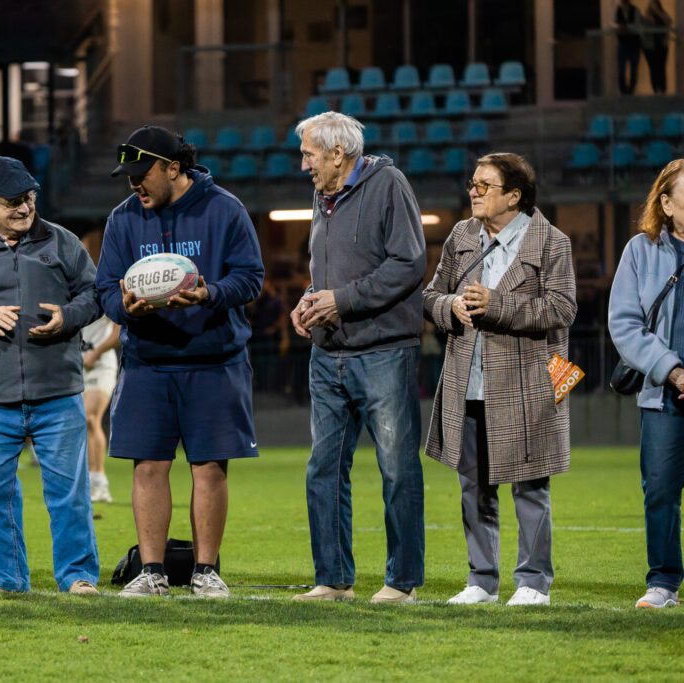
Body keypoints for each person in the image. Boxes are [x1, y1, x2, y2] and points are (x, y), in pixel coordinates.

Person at [97, 125, 263, 598]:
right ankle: (151, 572)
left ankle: (205, 572)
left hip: (214, 360)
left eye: (141, 174)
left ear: (173, 168)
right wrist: (123, 308)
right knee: (148, 466)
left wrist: (211, 293)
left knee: (209, 467)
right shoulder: (123, 218)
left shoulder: (225, 209)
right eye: (128, 176)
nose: (134, 184)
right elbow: (105, 287)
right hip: (148, 361)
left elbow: (251, 277)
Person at [0, 156, 101, 595]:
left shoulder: (63, 242)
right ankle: (6, 579)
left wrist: (67, 316)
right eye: (12, 202)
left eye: (28, 198)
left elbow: (94, 294)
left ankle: (78, 577)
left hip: (58, 392)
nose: (25, 208)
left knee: (69, 494)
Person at [423, 153, 577, 606]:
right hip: (467, 381)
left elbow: (562, 309)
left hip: (530, 382)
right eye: (472, 183)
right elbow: (430, 295)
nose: (473, 191)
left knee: (530, 486)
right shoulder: (461, 235)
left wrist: (497, 305)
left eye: (484, 185)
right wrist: (449, 306)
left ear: (514, 196)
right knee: (473, 487)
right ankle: (481, 580)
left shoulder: (552, 242)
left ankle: (533, 582)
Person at [287, 112, 426, 604]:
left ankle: (402, 583)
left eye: (309, 155)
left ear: (337, 153)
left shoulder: (389, 184)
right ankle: (333, 579)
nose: (303, 165)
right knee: (322, 469)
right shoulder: (321, 194)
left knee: (397, 469)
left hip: (383, 351)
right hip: (328, 354)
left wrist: (341, 301)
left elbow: (408, 264)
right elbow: (331, 269)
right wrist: (310, 298)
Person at [609, 159, 684, 609]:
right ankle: (663, 583)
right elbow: (624, 323)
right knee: (659, 491)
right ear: (667, 204)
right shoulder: (640, 250)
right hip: (662, 394)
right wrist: (673, 371)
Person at [80, 308, 120, 504]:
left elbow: (119, 330)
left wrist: (96, 353)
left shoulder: (102, 297)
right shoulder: (72, 296)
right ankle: (89, 482)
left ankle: (99, 482)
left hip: (100, 364)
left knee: (90, 418)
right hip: (77, 364)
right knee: (81, 423)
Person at [641, 0, 672, 94]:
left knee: (661, 67)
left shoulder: (663, 15)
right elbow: (643, 28)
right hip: (650, 47)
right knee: (653, 68)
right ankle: (655, 89)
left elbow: (669, 21)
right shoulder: (647, 17)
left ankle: (662, 89)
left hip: (661, 45)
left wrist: (658, 12)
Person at [616, 0, 643, 95]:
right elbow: (616, 24)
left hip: (634, 44)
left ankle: (631, 90)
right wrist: (620, 28)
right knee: (621, 69)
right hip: (623, 43)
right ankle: (623, 90)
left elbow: (637, 26)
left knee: (633, 69)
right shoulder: (619, 10)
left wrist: (626, 27)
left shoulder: (635, 10)